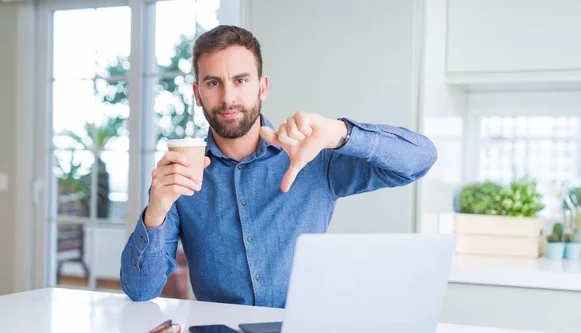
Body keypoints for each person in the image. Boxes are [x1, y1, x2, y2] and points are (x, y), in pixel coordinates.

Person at [120, 25, 437, 308]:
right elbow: (139, 291)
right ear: (197, 93)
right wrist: (156, 211)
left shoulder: (313, 155)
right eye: (213, 82)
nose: (229, 97)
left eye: (241, 80)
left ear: (262, 87)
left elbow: (420, 159)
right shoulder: (180, 176)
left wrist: (341, 132)